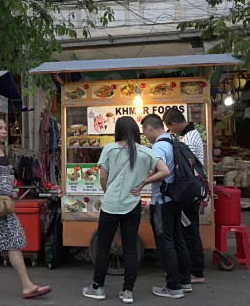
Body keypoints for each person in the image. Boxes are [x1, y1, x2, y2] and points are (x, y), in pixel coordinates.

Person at [83, 116, 170, 304]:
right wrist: (144, 182)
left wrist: (109, 192)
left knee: (104, 247)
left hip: (111, 205)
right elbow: (165, 171)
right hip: (133, 204)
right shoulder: (145, 152)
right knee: (130, 248)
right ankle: (128, 291)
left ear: (118, 130)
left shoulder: (110, 149)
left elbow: (103, 178)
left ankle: (97, 288)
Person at [0, 117, 51, 299]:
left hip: (5, 207)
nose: (4, 131)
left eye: (5, 128)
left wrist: (11, 191)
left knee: (14, 241)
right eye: (0, 128)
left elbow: (5, 177)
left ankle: (27, 285)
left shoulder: (3, 151)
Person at [141, 114, 191, 299]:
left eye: (145, 132)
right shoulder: (172, 140)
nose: (146, 136)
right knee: (178, 239)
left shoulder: (159, 146)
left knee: (165, 242)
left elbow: (163, 171)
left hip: (162, 200)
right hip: (175, 199)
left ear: (149, 128)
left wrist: (143, 181)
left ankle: (173, 286)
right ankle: (185, 281)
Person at [163, 108, 206, 284]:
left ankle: (196, 272)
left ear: (174, 125)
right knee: (190, 230)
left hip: (190, 190)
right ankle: (194, 269)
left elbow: (184, 168)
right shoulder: (192, 134)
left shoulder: (188, 139)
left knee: (190, 231)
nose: (170, 131)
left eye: (170, 128)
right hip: (194, 188)